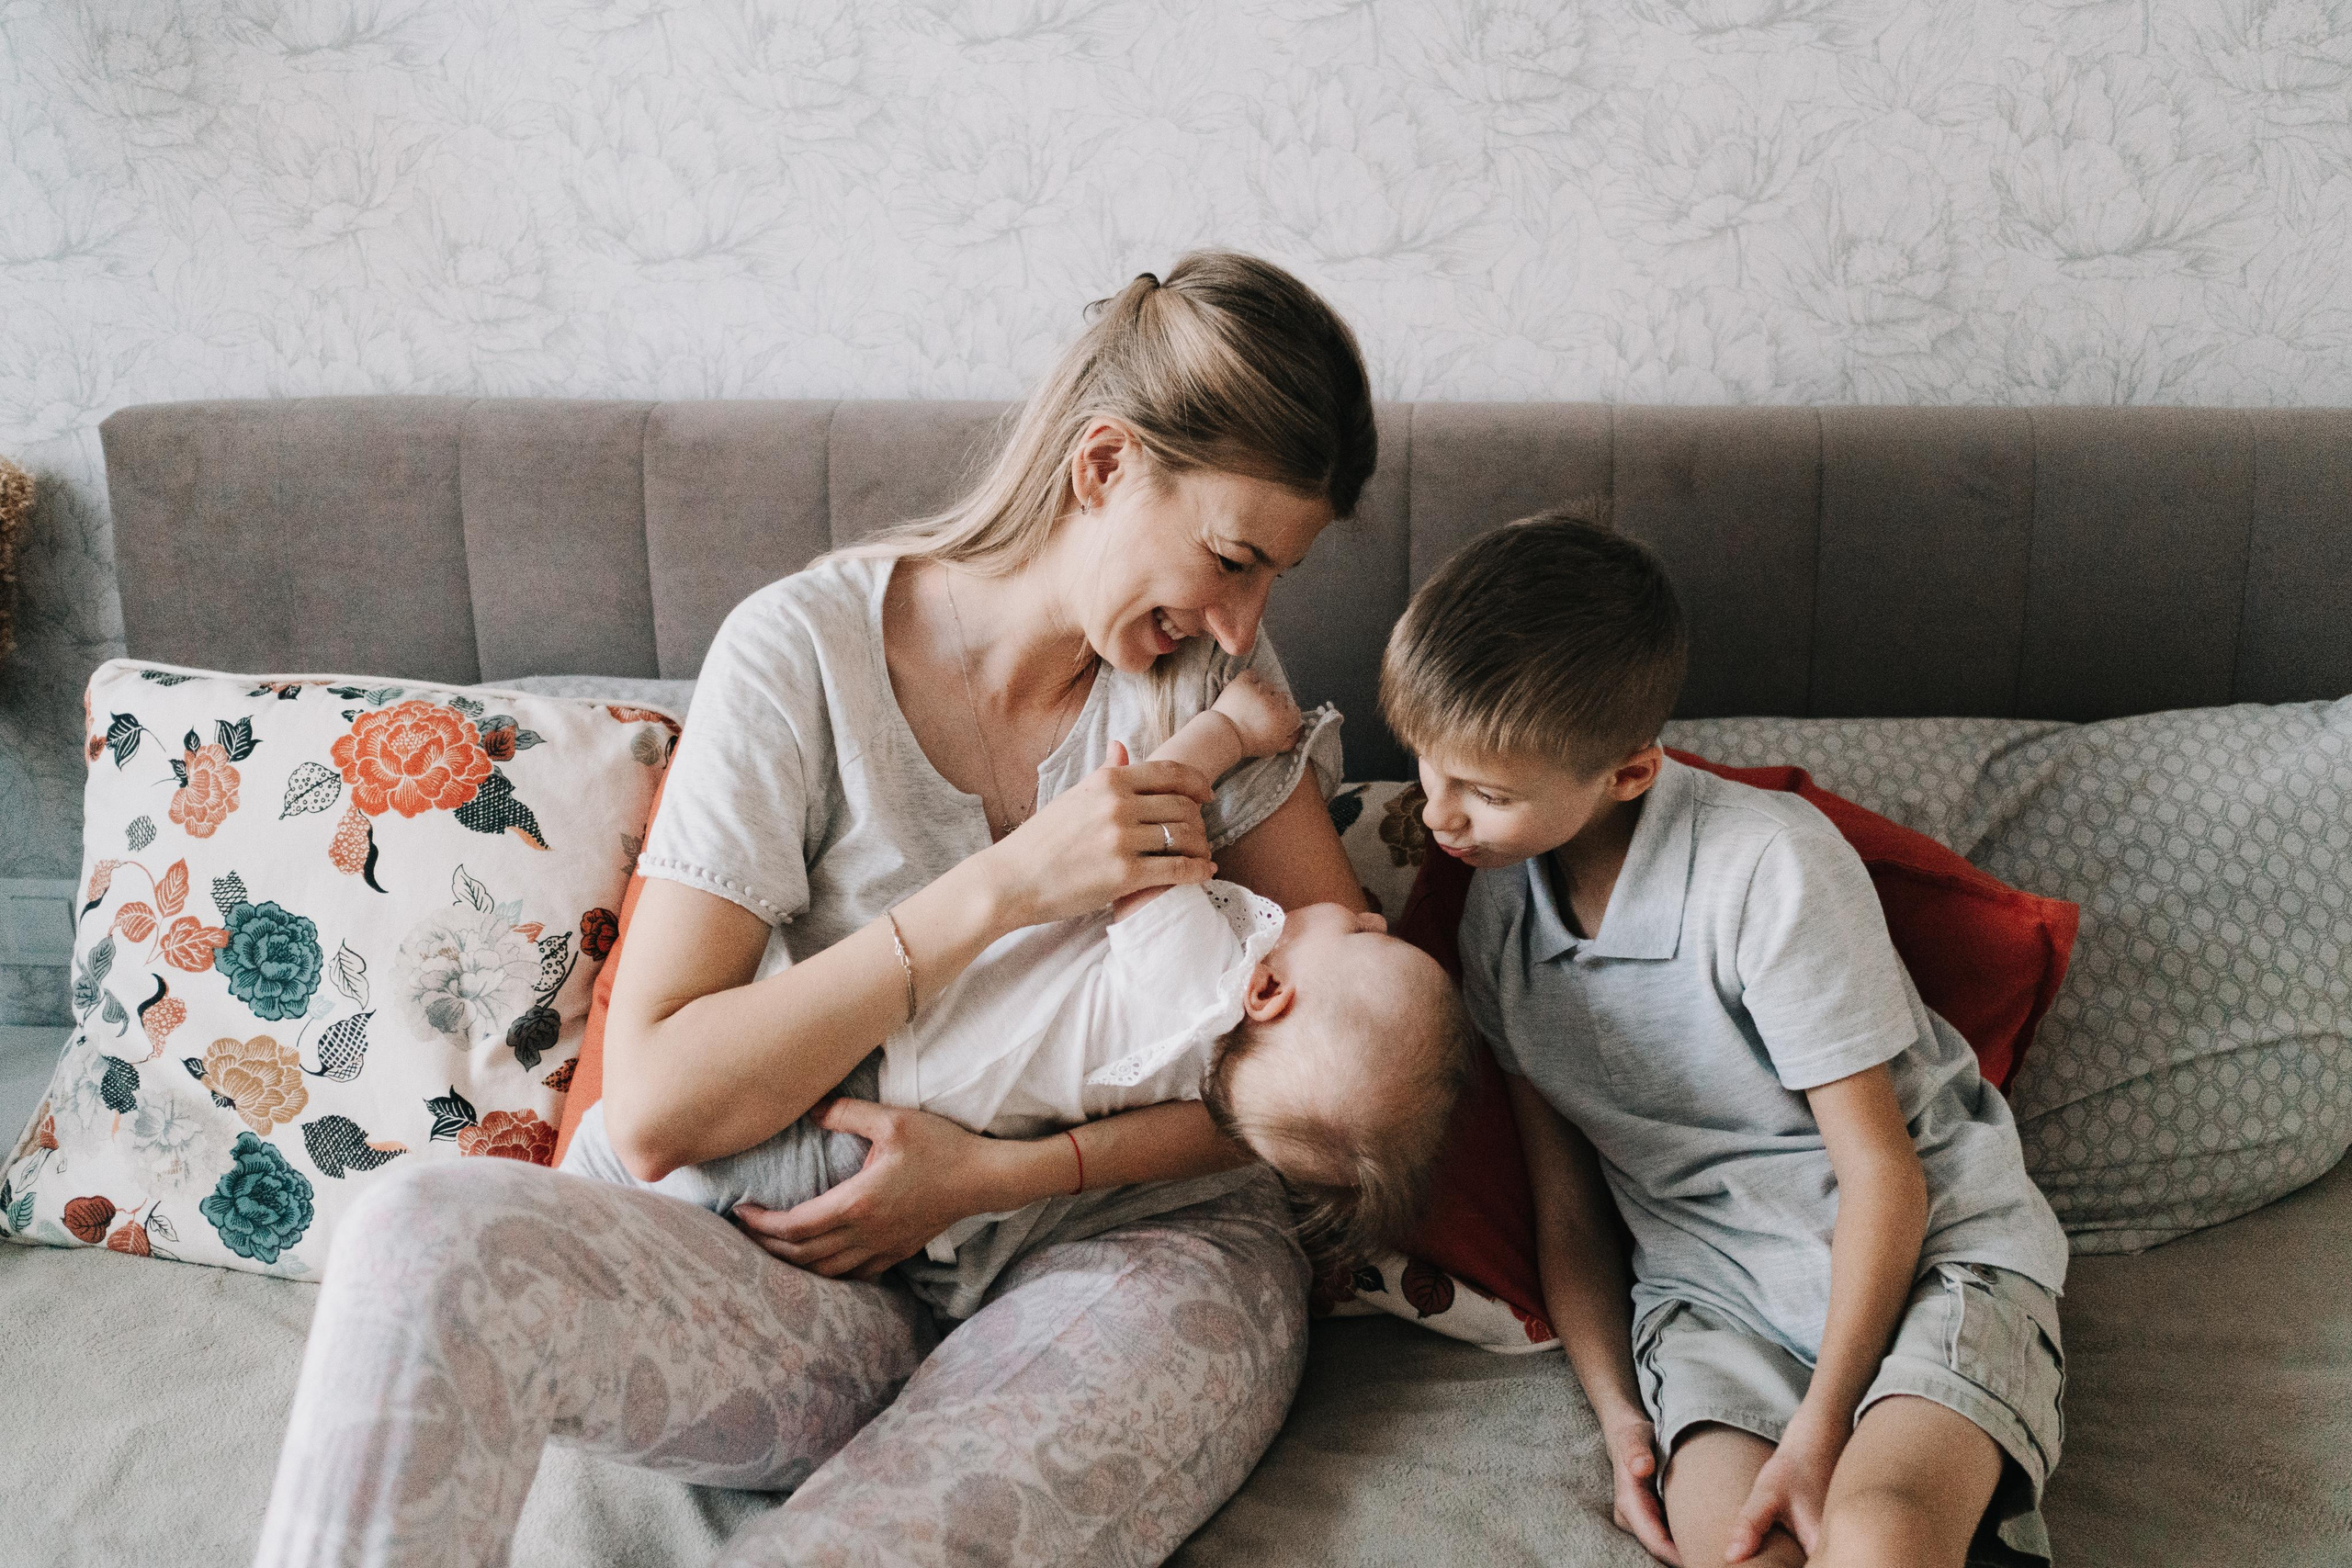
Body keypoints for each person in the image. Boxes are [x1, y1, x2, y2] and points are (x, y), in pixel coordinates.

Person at [254, 251, 1382, 1567]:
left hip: (1127, 1259)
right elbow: (659, 1103)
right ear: (1102, 466)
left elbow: (1343, 1088)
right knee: (420, 1234)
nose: (1242, 626)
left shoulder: (1204, 687)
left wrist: (1001, 1176)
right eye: (1231, 560)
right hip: (798, 1276)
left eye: (1271, 580)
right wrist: (1002, 890)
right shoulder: (801, 653)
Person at [1379, 509, 2070, 1568]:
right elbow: (1571, 1210)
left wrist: (1820, 1431)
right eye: (1427, 767)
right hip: (1712, 1305)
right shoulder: (1495, 918)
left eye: (1487, 793)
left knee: (1876, 1534)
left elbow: (1883, 1178)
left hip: (1921, 1262)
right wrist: (1621, 1414)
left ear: (1628, 773)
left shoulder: (1769, 870)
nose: (1440, 817)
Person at [561, 670, 1473, 1263]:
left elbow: (1140, 828)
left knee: (630, 1170)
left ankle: (570, 1204)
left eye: (1369, 938)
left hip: (866, 1097)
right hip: (904, 1137)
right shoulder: (1211, 1077)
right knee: (677, 1203)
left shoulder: (1201, 976)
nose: (1368, 910)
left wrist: (1225, 732)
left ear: (1267, 992)